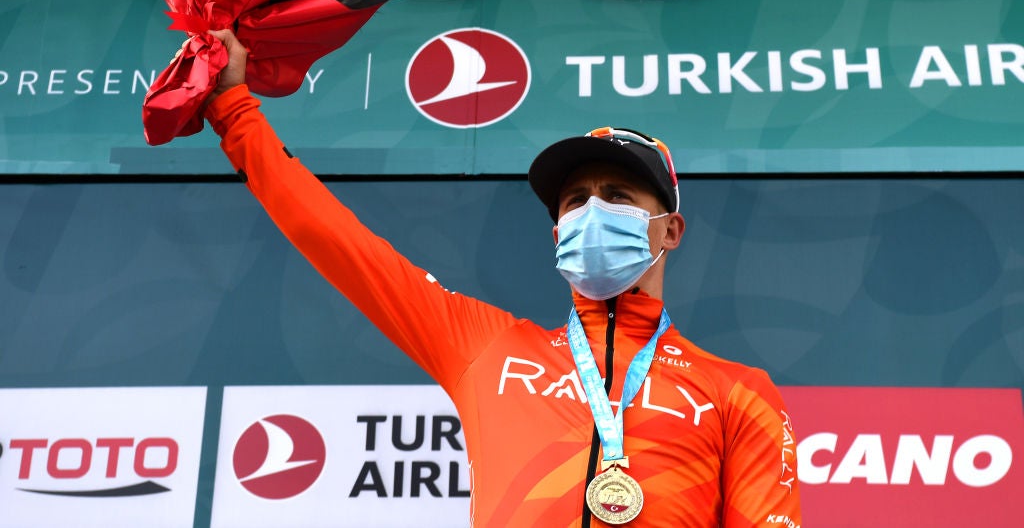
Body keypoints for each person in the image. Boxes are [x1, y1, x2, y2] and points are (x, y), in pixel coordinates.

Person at [203, 29, 802, 527]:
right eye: (575, 201)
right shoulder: (487, 348)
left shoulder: (737, 393)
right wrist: (234, 110)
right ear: (556, 235)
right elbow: (338, 242)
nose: (591, 211)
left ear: (670, 230)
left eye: (617, 196)